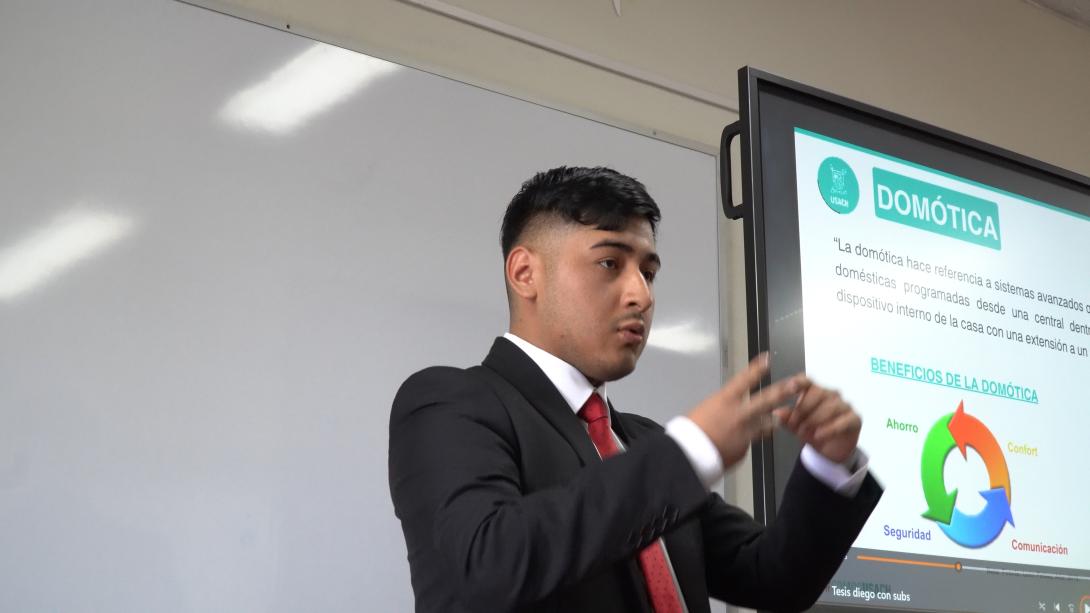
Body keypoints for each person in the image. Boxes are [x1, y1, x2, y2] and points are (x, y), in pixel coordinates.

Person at [388, 166, 882, 613]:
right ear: (525, 273)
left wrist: (828, 463)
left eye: (649, 272)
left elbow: (774, 579)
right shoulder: (447, 402)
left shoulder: (644, 444)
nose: (641, 296)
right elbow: (488, 565)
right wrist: (691, 451)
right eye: (610, 264)